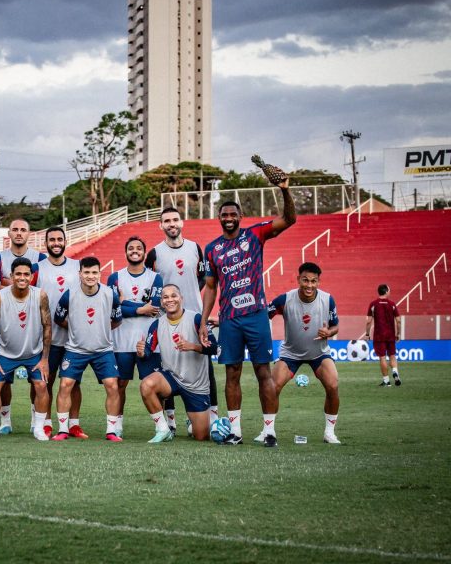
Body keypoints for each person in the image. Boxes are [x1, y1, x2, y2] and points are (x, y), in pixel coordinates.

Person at [200, 169, 296, 447]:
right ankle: (235, 431)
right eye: (224, 215)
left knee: (263, 372)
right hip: (229, 320)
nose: (228, 219)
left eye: (233, 215)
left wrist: (285, 189)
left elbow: (290, 219)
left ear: (240, 217)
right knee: (231, 373)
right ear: (219, 218)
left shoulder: (256, 235)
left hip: (256, 317)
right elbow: (210, 287)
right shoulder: (212, 249)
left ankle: (269, 431)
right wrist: (204, 320)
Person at [146, 206, 218, 432]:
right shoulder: (155, 254)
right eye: (166, 221)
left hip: (194, 315)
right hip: (165, 319)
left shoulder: (196, 248)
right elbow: (151, 285)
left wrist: (192, 302)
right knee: (168, 365)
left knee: (205, 367)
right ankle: (171, 419)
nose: (171, 224)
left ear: (182, 222)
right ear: (161, 226)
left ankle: (212, 416)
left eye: (175, 220)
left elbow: (204, 280)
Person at [266, 262, 341, 444]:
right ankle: (268, 431)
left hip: (319, 353)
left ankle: (329, 433)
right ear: (298, 279)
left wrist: (329, 333)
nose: (309, 285)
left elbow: (335, 326)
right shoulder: (284, 300)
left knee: (333, 385)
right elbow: (263, 316)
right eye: (305, 280)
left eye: (313, 281)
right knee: (272, 387)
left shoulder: (328, 299)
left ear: (319, 282)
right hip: (290, 353)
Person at [52, 256, 124, 442]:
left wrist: (100, 331)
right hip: (75, 350)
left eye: (94, 272)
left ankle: (111, 431)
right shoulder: (69, 294)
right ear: (80, 274)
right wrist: (77, 327)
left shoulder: (110, 294)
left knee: (112, 386)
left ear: (100, 274)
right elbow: (58, 319)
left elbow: (117, 320)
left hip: (103, 350)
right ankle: (63, 430)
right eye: (86, 272)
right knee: (65, 385)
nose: (90, 276)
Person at [137, 284, 217, 443]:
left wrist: (193, 346)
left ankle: (192, 422)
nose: (170, 299)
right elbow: (147, 351)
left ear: (181, 298)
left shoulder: (196, 319)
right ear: (162, 302)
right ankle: (163, 429)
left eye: (174, 296)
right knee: (147, 385)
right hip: (171, 378)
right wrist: (141, 352)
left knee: (201, 436)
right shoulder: (157, 324)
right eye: (165, 297)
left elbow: (214, 348)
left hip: (196, 384)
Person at [0, 258, 52, 440]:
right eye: (18, 274)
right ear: (11, 276)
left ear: (32, 276)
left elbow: (47, 326)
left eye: (26, 274)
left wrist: (44, 359)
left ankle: (38, 428)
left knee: (42, 385)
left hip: (33, 352)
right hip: (5, 353)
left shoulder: (40, 296)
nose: (22, 278)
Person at [107, 236, 163, 438]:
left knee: (154, 384)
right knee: (120, 384)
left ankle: (162, 426)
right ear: (126, 252)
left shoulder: (155, 278)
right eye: (131, 248)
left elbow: (155, 307)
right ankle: (117, 425)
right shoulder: (115, 277)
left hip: (148, 340)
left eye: (139, 248)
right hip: (121, 340)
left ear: (144, 252)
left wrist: (126, 304)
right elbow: (114, 307)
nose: (135, 250)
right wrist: (141, 308)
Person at [31, 226, 84, 438]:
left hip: (73, 336)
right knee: (45, 381)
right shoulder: (37, 267)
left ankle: (74, 424)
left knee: (74, 382)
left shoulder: (77, 266)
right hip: (46, 337)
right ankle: (44, 422)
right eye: (51, 239)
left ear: (65, 242)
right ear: (46, 243)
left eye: (59, 239)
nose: (55, 243)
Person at [0, 218, 46, 287]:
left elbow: (43, 288)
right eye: (15, 230)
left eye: (23, 230)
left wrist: (8, 284)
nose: (19, 233)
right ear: (9, 233)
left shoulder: (41, 258)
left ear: (29, 234)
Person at [366, 284, 402, 387]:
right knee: (392, 355)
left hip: (379, 335)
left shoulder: (373, 304)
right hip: (390, 335)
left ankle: (386, 381)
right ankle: (395, 371)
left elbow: (368, 321)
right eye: (389, 290)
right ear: (386, 291)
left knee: (382, 358)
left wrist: (367, 334)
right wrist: (398, 333)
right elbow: (398, 320)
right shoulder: (392, 304)